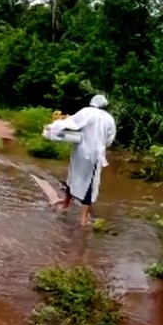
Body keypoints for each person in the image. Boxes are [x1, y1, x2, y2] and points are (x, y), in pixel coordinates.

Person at [51, 94, 117, 226]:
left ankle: (66, 205)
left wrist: (54, 126)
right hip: (96, 155)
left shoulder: (87, 112)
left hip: (81, 152)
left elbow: (71, 124)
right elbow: (109, 139)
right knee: (90, 183)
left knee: (73, 176)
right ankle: (83, 218)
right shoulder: (109, 118)